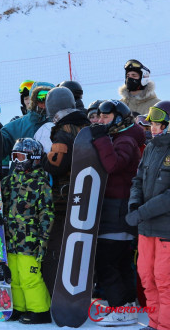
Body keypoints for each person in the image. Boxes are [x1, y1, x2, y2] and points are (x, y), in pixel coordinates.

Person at [90, 100, 145, 325]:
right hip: (116, 207)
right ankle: (127, 304)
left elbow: (113, 165)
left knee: (105, 261)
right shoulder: (121, 137)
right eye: (100, 117)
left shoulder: (126, 140)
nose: (101, 121)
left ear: (119, 118)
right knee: (120, 261)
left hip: (118, 209)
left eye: (106, 117)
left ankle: (120, 306)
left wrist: (100, 138)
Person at [39, 87, 90, 294]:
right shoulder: (86, 126)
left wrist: (41, 158)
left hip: (64, 197)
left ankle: (57, 291)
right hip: (87, 194)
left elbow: (57, 163)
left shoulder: (64, 130)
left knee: (56, 246)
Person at [128, 100, 170, 330]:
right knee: (147, 277)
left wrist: (142, 211)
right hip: (145, 227)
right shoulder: (151, 148)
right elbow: (137, 180)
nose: (152, 128)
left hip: (166, 230)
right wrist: (134, 205)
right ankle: (155, 323)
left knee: (165, 280)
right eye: (152, 124)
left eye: (158, 124)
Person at [3, 138, 54, 324]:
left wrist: (43, 240)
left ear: (34, 158)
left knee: (29, 277)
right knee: (14, 277)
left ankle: (40, 310)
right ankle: (19, 307)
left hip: (29, 241)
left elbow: (46, 214)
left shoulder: (41, 184)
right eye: (14, 156)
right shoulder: (9, 181)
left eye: (21, 156)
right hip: (11, 238)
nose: (16, 161)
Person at [1, 82, 54, 158]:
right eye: (41, 97)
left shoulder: (62, 123)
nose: (45, 102)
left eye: (50, 98)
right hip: (22, 169)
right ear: (33, 100)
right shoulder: (18, 126)